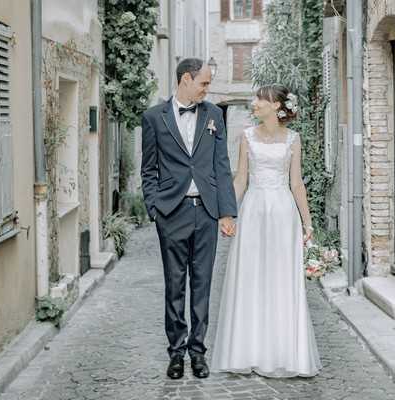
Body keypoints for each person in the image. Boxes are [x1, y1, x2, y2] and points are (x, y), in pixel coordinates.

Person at [211, 84, 322, 377]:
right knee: (251, 277)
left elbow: (296, 183)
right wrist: (227, 213)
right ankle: (248, 350)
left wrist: (307, 223)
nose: (255, 103)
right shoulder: (246, 137)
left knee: (281, 279)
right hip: (253, 212)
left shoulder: (293, 140)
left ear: (277, 106)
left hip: (284, 214)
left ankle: (285, 353)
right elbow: (240, 179)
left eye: (260, 99)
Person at [141, 58, 238, 380]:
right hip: (172, 212)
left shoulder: (213, 116)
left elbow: (222, 166)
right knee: (174, 287)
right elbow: (149, 169)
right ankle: (176, 353)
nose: (207, 89)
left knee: (202, 285)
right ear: (186, 79)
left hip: (207, 212)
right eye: (204, 83)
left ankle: (198, 352)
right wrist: (154, 208)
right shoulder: (154, 118)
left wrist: (226, 212)